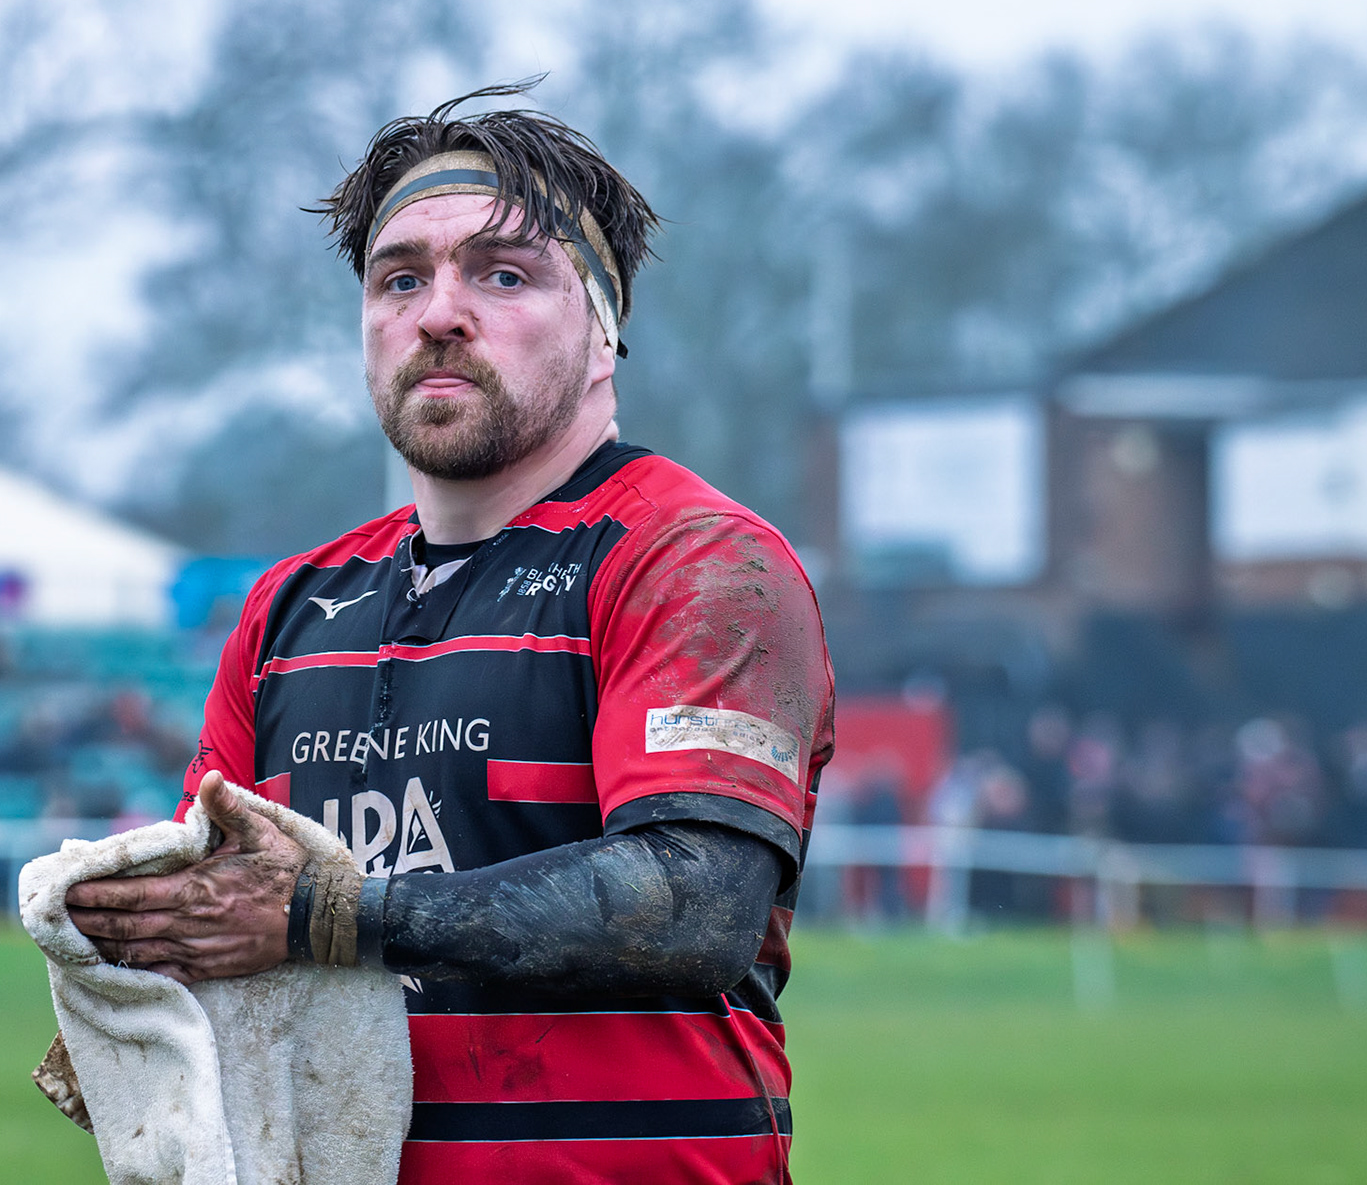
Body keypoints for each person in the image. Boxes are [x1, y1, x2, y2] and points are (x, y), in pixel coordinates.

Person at [66, 85, 835, 1182]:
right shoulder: (288, 607)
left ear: (605, 329)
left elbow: (695, 905)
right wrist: (135, 973)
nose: (438, 310)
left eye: (503, 273)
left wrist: (321, 911)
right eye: (402, 277)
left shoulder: (699, 560)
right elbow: (223, 912)